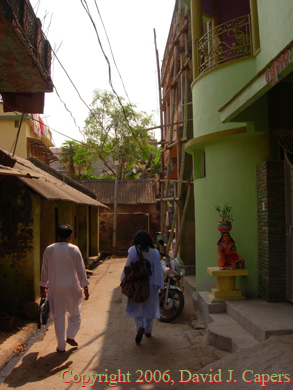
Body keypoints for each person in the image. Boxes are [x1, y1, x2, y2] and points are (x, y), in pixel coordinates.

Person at [40, 224, 89, 353]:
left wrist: (43, 286)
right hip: (72, 287)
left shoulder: (49, 249)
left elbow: (44, 269)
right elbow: (81, 270)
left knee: (58, 317)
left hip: (55, 287)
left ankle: (61, 347)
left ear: (58, 235)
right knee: (75, 314)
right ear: (69, 236)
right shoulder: (74, 249)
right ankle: (71, 335)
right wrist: (85, 287)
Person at [121, 230, 164, 344]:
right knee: (150, 307)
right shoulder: (154, 252)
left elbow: (127, 267)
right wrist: (159, 284)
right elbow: (158, 269)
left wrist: (123, 280)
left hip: (136, 282)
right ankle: (148, 330)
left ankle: (140, 326)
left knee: (136, 305)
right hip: (150, 282)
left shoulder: (133, 250)